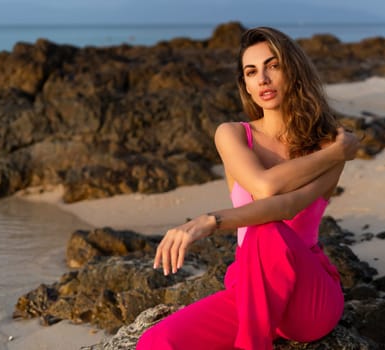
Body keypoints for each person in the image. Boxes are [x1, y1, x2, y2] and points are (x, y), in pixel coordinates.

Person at [136, 26, 359, 350]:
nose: (263, 79)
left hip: (309, 297)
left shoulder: (326, 146)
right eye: (251, 72)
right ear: (246, 85)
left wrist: (210, 221)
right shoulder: (234, 134)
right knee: (157, 341)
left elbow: (283, 203)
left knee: (265, 230)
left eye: (273, 66)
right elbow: (262, 184)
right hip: (251, 289)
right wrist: (341, 151)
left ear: (293, 70)